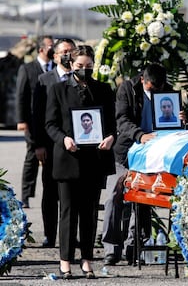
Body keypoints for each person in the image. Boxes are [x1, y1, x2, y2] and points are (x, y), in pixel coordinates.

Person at [45, 45, 116, 279]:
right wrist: (63, 139)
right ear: (70, 64)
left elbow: (112, 124)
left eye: (88, 66)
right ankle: (65, 260)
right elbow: (50, 124)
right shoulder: (57, 90)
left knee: (88, 214)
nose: (84, 70)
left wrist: (110, 137)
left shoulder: (104, 90)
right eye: (79, 66)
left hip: (94, 160)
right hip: (68, 159)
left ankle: (87, 260)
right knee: (67, 212)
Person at [102, 63, 180, 266]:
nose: (156, 93)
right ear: (143, 80)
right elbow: (122, 119)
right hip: (125, 151)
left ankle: (133, 246)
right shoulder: (127, 89)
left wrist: (180, 119)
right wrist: (140, 135)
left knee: (143, 199)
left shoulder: (168, 91)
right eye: (152, 89)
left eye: (159, 89)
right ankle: (111, 249)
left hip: (152, 155)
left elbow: (171, 122)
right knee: (114, 197)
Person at [32, 38, 76, 248]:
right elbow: (37, 115)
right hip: (50, 145)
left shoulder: (79, 78)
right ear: (56, 55)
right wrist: (37, 145)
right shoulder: (44, 80)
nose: (69, 55)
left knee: (71, 194)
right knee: (50, 192)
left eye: (72, 51)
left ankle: (71, 236)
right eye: (65, 52)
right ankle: (50, 234)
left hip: (74, 146)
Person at [16, 35, 55, 208]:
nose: (52, 48)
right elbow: (21, 95)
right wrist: (21, 120)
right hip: (33, 120)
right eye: (50, 46)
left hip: (53, 120)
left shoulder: (57, 68)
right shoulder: (28, 68)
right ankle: (25, 195)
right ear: (41, 49)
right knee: (32, 156)